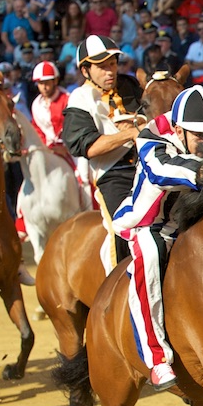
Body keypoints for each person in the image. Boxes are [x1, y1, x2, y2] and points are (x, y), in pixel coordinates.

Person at [112, 85, 203, 390]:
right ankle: (157, 358)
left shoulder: (202, 134)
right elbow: (160, 170)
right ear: (178, 130)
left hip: (189, 224)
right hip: (148, 226)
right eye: (199, 136)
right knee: (150, 255)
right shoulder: (151, 139)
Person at [61, 35, 144, 265]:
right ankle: (117, 279)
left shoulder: (131, 85)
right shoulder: (79, 99)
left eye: (113, 64)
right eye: (102, 66)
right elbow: (89, 147)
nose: (110, 71)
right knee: (122, 228)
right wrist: (130, 133)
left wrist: (140, 123)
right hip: (113, 175)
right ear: (85, 70)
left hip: (149, 165)